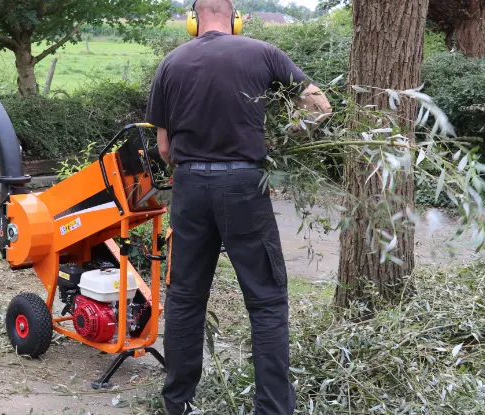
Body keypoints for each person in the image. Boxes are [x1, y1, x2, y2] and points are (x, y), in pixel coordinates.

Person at [145, 0, 332, 414]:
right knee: (265, 300)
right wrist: (287, 139)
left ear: (193, 21)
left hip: (190, 188)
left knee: (185, 298)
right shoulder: (263, 53)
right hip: (244, 185)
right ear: (236, 18)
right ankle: (271, 409)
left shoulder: (171, 63)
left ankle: (178, 404)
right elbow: (321, 106)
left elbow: (163, 148)